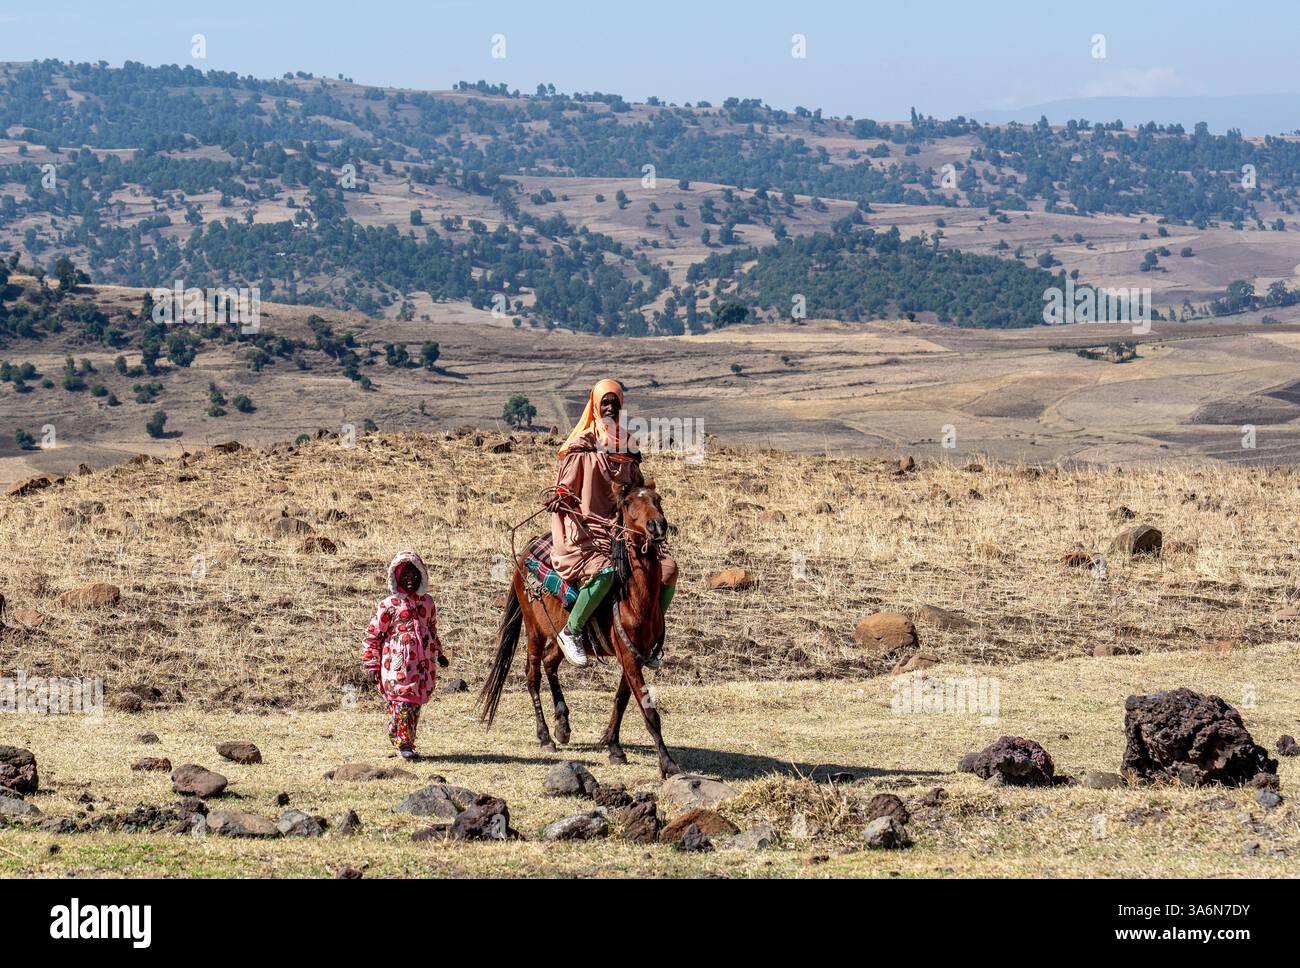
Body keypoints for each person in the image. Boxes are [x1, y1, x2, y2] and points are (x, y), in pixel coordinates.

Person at [547, 379, 677, 667]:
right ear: (595, 405)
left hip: (625, 531)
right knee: (606, 572)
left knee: (668, 570)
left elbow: (636, 490)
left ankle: (653, 636)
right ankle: (572, 631)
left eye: (614, 403)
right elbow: (565, 486)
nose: (609, 407)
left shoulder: (628, 445)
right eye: (604, 402)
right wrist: (560, 497)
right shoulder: (583, 444)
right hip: (589, 531)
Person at [361, 550, 447, 758]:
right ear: (396, 577)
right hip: (396, 663)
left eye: (414, 576)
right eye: (406, 577)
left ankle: (407, 741)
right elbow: (374, 635)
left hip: (423, 663)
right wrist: (372, 664)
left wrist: (439, 652)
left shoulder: (427, 603)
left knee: (414, 704)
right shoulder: (389, 605)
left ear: (421, 576)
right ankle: (402, 743)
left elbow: (432, 630)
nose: (410, 581)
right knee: (401, 703)